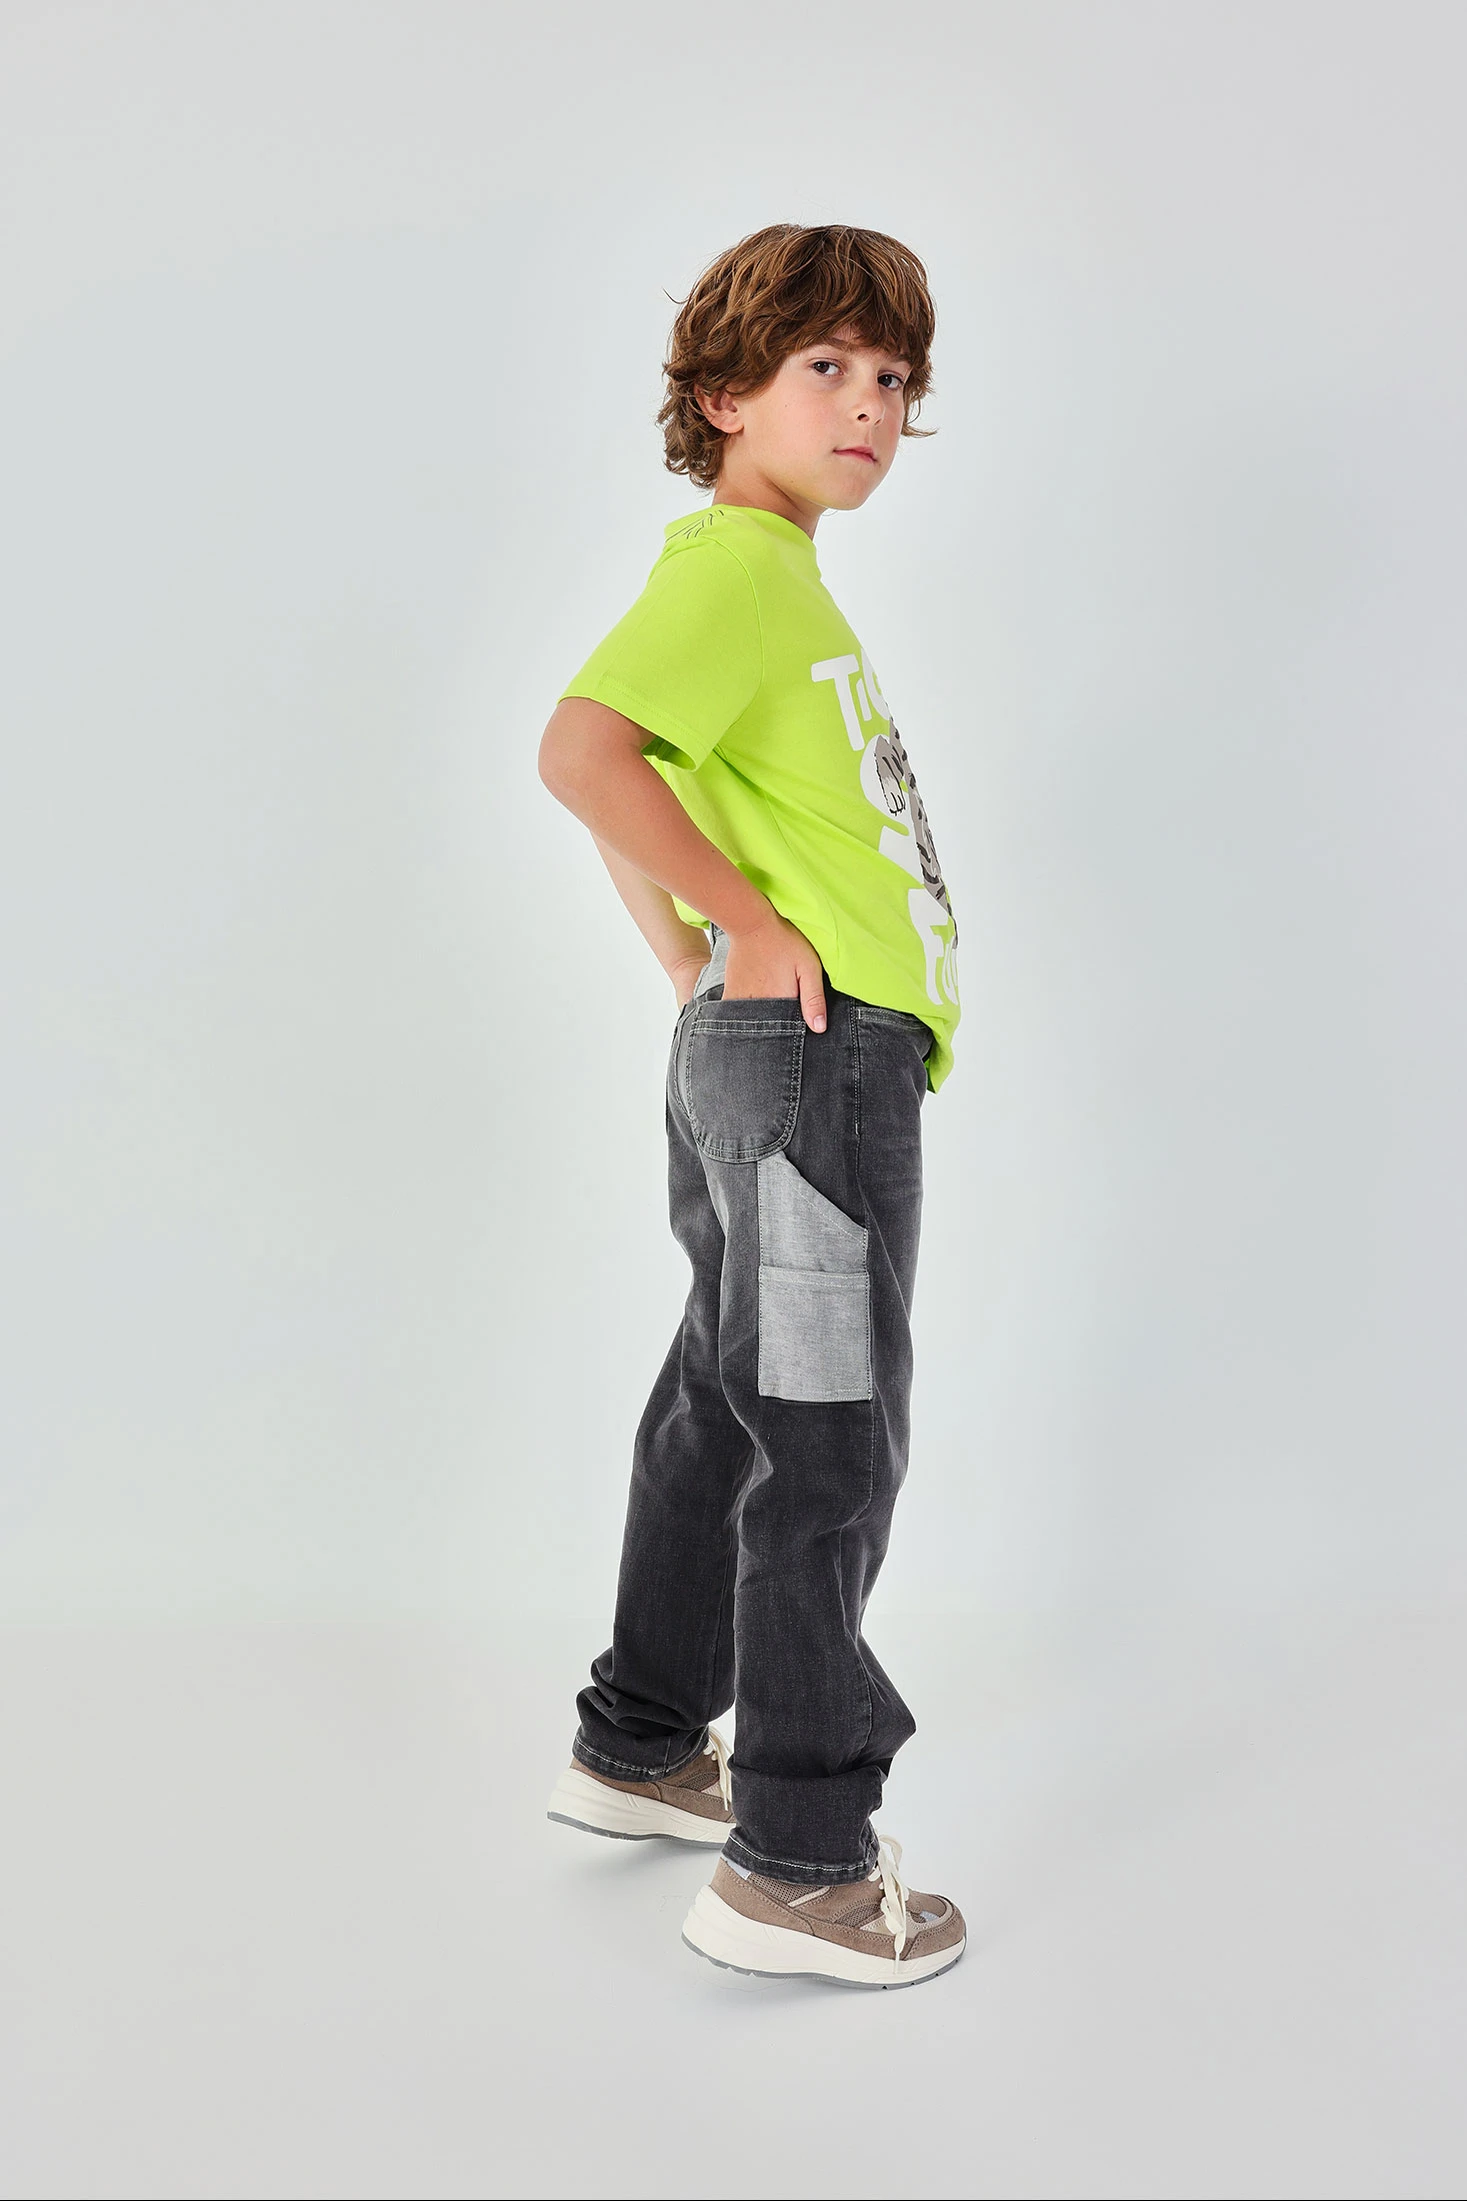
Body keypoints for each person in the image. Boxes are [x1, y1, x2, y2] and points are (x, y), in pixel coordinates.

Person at [537, 222, 965, 1988]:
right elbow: (582, 752)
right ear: (723, 395)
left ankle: (642, 1742)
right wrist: (747, 929)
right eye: (825, 368)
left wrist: (691, 949)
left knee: (731, 1401)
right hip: (814, 1055)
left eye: (893, 380)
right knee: (824, 1428)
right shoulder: (740, 574)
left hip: (770, 1049)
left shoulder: (764, 579)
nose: (868, 405)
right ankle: (798, 1857)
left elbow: (636, 770)